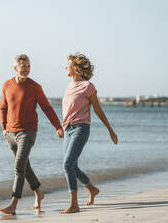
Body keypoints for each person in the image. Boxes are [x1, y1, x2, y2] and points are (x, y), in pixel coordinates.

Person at [0, 54, 64, 215]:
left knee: (19, 166)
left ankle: (14, 203)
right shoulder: (6, 85)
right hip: (10, 133)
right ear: (15, 68)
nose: (27, 70)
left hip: (28, 132)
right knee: (25, 167)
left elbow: (47, 108)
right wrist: (4, 129)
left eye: (28, 67)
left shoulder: (35, 87)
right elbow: (3, 108)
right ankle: (38, 193)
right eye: (23, 67)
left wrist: (58, 126)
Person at [60, 53, 118, 214]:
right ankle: (92, 189)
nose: (65, 67)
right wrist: (62, 127)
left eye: (68, 64)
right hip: (68, 129)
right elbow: (67, 109)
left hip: (81, 128)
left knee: (67, 165)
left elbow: (98, 110)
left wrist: (110, 130)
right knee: (73, 166)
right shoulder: (69, 85)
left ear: (76, 68)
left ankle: (74, 205)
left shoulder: (88, 86)